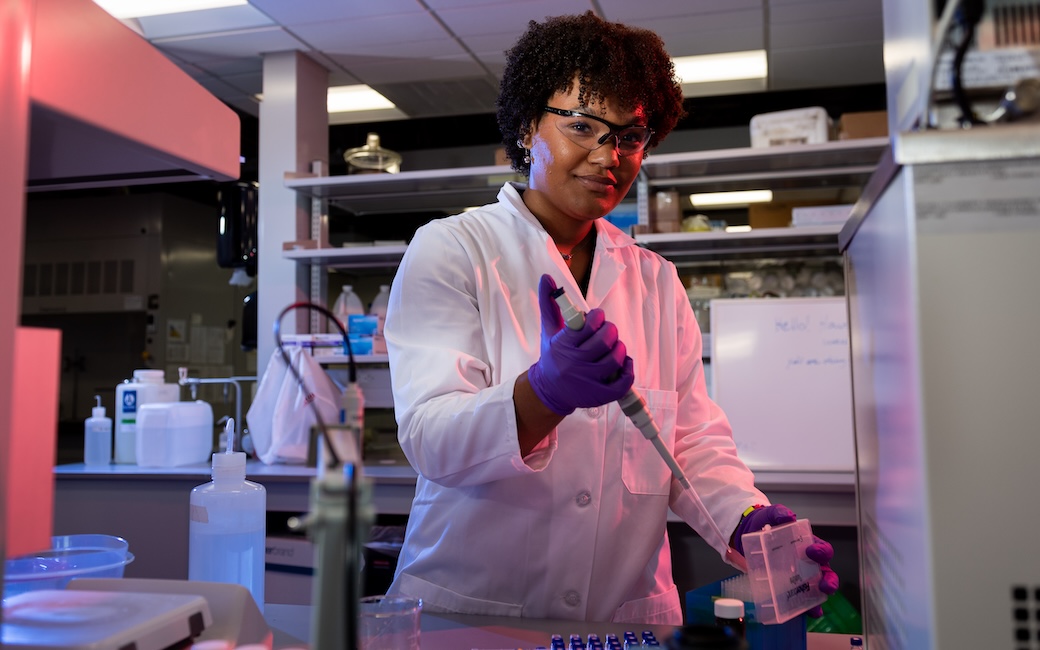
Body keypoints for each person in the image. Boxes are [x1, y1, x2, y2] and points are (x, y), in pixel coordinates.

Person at [382, 11, 838, 624]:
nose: (609, 156)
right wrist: (542, 393)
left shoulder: (655, 280)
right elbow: (428, 437)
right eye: (582, 126)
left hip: (624, 620)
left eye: (630, 136)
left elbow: (690, 442)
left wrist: (747, 520)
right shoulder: (451, 249)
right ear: (526, 127)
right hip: (474, 614)